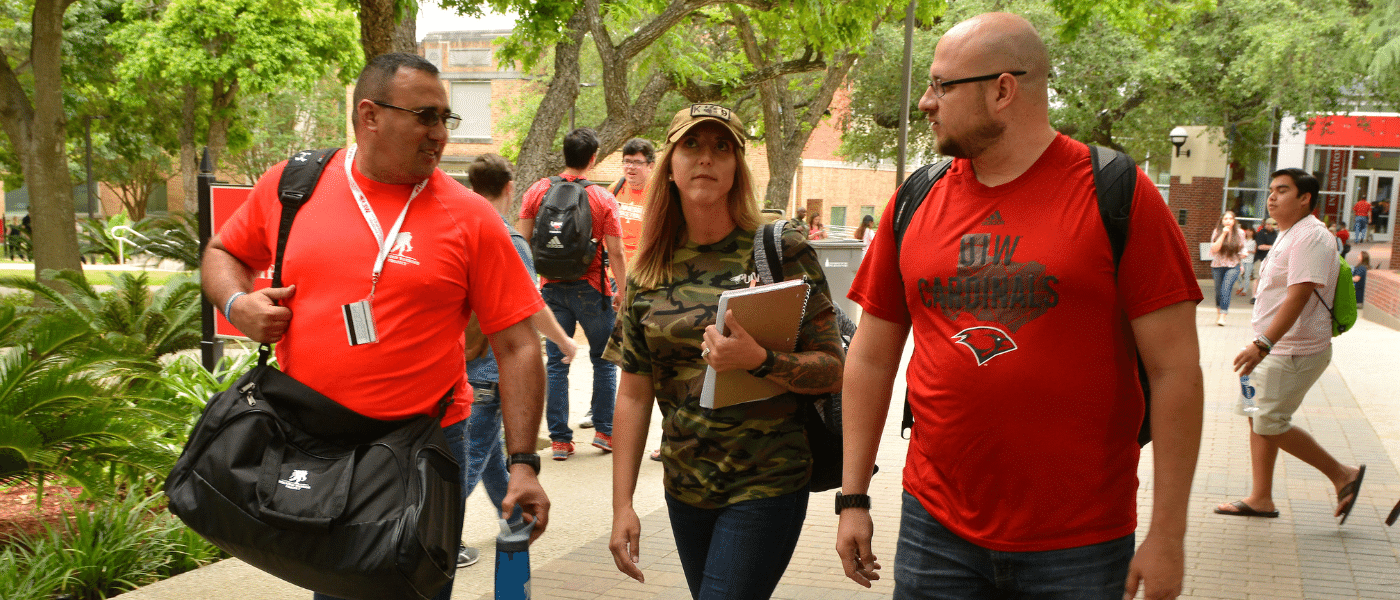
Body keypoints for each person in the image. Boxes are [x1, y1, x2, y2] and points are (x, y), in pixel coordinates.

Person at [835, 13, 1204, 600]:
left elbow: (1176, 371)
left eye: (942, 86)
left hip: (1080, 542)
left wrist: (1169, 534)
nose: (927, 103)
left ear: (1003, 89)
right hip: (936, 530)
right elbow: (872, 357)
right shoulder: (915, 199)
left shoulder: (1117, 192)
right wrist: (852, 497)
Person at [201, 53, 551, 600]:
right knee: (334, 583)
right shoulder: (293, 186)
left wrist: (524, 464)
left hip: (424, 444)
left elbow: (518, 345)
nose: (440, 134)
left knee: (410, 588)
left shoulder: (472, 217)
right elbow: (223, 250)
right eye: (425, 117)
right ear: (370, 115)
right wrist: (237, 303)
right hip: (313, 438)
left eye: (445, 119)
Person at [604, 104, 844, 600]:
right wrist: (622, 504)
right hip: (685, 487)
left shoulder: (782, 248)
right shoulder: (648, 271)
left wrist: (760, 361)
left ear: (737, 166)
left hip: (767, 482)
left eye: (721, 147)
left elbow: (833, 370)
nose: (705, 158)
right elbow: (632, 394)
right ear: (669, 165)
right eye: (691, 145)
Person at [1215, 168, 1366, 525]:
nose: (1272, 196)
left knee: (1269, 421)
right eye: (1271, 190)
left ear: (1305, 199)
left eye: (1283, 190)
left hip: (1291, 350)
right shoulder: (1288, 233)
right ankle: (1261, 498)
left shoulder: (1311, 236)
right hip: (1272, 348)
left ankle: (1343, 475)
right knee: (1257, 418)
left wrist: (1264, 344)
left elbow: (1298, 296)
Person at [459, 153, 579, 566]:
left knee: (491, 452)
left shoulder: (463, 230)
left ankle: (512, 522)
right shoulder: (507, 239)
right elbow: (527, 307)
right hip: (490, 370)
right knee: (470, 458)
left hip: (467, 363)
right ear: (509, 189)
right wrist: (564, 340)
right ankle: (439, 535)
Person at [519, 127, 627, 460]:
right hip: (593, 288)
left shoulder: (537, 191)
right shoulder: (603, 198)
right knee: (604, 363)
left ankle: (560, 442)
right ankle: (605, 434)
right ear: (593, 158)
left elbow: (522, 242)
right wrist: (623, 291)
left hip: (550, 288)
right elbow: (617, 252)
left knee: (556, 364)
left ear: (563, 153)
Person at [590, 138, 655, 431]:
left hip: (646, 281)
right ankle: (600, 409)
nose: (630, 167)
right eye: (626, 161)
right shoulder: (614, 190)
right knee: (608, 349)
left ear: (650, 166)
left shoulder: (659, 195)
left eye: (637, 162)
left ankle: (638, 413)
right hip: (615, 280)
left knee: (641, 349)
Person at [1210, 211, 1249, 326]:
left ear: (1234, 221)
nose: (1228, 221)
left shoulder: (1240, 232)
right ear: (1222, 221)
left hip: (1233, 265)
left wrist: (1243, 254)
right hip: (1217, 265)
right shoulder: (1217, 232)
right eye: (1225, 219)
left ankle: (1223, 315)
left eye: (1230, 219)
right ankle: (1219, 313)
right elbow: (1214, 249)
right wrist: (1223, 234)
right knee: (1218, 292)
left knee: (1225, 289)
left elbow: (1244, 248)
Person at [1252, 217, 1279, 300]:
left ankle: (1263, 295)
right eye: (1272, 225)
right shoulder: (1261, 233)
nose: (1273, 227)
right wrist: (1273, 247)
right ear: (1267, 224)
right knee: (1257, 277)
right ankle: (1254, 296)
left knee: (1268, 278)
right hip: (1260, 259)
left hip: (1271, 259)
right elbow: (1260, 246)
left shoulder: (1276, 233)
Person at [1236, 227, 1256, 298]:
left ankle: (1245, 290)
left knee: (1247, 276)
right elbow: (1240, 248)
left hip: (1249, 260)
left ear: (1252, 232)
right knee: (1238, 273)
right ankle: (1240, 287)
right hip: (1242, 259)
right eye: (1247, 231)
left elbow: (1255, 251)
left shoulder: (1254, 241)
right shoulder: (1243, 240)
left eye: (1250, 231)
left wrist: (1248, 252)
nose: (1248, 232)